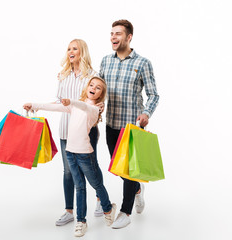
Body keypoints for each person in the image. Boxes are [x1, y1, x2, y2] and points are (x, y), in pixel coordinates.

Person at [23, 77, 116, 237]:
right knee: (79, 186)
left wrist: (71, 101)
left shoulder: (94, 110)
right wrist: (34, 105)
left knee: (96, 184)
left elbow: (83, 105)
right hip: (70, 152)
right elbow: (55, 107)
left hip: (85, 154)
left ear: (101, 95)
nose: (94, 87)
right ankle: (81, 221)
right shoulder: (74, 106)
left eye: (98, 87)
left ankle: (108, 208)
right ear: (87, 87)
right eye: (92, 85)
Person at [99, 19, 160, 229]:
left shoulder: (142, 63)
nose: (113, 37)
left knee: (128, 172)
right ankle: (137, 189)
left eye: (118, 34)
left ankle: (126, 211)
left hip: (132, 127)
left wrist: (146, 113)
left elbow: (153, 95)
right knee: (117, 168)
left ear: (129, 37)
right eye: (111, 33)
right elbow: (99, 89)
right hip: (111, 124)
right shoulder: (106, 61)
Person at [54, 39, 104, 227]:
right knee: (68, 171)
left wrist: (100, 108)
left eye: (74, 48)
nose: (70, 51)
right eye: (68, 49)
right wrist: (37, 107)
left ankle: (100, 200)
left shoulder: (92, 76)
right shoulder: (62, 75)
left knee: (91, 167)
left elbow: (99, 99)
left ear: (82, 51)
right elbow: (59, 102)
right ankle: (69, 211)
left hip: (86, 131)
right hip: (66, 129)